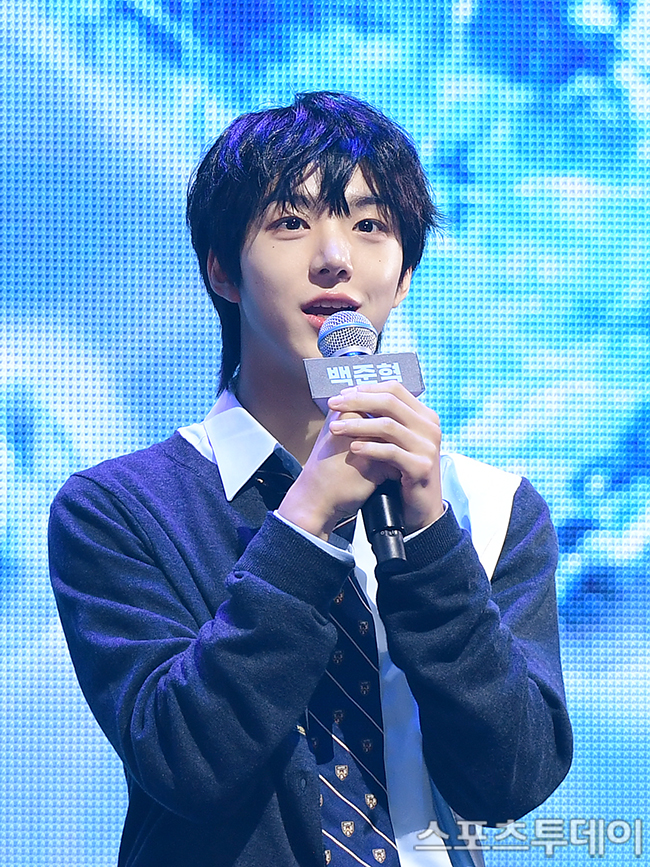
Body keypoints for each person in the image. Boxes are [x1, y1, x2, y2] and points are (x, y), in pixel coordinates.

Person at [48, 91, 572, 867]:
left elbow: (514, 778)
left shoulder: (492, 508)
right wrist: (304, 522)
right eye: (291, 222)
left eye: (370, 225)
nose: (334, 256)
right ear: (222, 269)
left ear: (403, 274)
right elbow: (188, 759)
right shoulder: (117, 509)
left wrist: (431, 540)